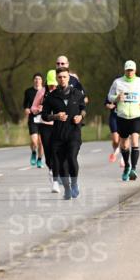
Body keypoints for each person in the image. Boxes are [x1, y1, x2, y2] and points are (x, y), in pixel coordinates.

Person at [42, 67, 86, 199]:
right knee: (61, 164)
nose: (62, 79)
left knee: (72, 158)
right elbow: (44, 116)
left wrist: (80, 117)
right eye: (60, 77)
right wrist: (55, 117)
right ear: (57, 78)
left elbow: (83, 109)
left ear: (69, 78)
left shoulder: (77, 94)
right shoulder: (51, 97)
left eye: (65, 77)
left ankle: (74, 184)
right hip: (58, 134)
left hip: (73, 132)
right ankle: (67, 188)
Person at [107, 60, 140, 181]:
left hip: (136, 115)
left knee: (135, 141)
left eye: (131, 70)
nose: (130, 72)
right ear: (124, 70)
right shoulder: (117, 82)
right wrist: (116, 98)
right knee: (124, 144)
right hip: (122, 116)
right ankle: (127, 166)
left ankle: (134, 169)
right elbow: (109, 96)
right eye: (127, 70)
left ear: (135, 70)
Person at [31, 70, 60, 193]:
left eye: (55, 84)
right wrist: (39, 108)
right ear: (47, 82)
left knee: (57, 152)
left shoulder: (61, 92)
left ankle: (56, 181)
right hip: (45, 125)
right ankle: (51, 169)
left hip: (58, 125)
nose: (53, 86)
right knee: (48, 154)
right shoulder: (42, 92)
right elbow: (32, 108)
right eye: (51, 84)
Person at [23, 73, 45, 168]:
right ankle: (33, 152)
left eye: (39, 79)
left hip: (44, 119)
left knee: (41, 142)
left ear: (42, 81)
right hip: (33, 118)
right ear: (33, 80)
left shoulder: (45, 91)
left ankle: (39, 159)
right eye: (35, 79)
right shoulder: (28, 91)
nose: (37, 80)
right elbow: (25, 104)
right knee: (34, 141)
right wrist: (26, 109)